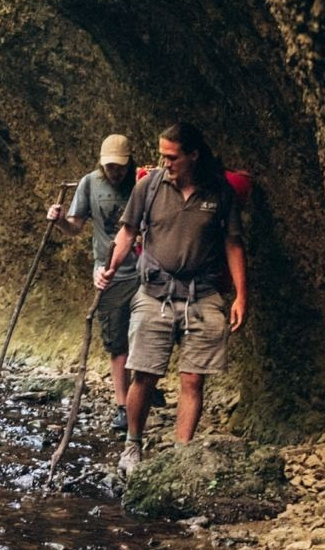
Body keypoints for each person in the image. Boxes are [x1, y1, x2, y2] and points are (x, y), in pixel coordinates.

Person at [96, 123, 247, 477]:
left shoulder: (219, 191)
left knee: (193, 380)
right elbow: (128, 232)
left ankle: (181, 454)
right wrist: (111, 267)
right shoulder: (148, 186)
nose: (165, 163)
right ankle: (133, 445)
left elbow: (233, 244)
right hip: (154, 293)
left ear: (193, 155)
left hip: (204, 295)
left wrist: (241, 295)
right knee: (144, 375)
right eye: (163, 155)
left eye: (172, 156)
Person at [47, 134, 140, 432]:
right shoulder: (90, 183)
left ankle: (143, 388)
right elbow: (74, 228)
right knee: (116, 341)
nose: (116, 172)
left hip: (145, 272)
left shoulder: (141, 183)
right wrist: (59, 220)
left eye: (120, 167)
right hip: (109, 273)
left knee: (144, 335)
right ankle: (123, 406)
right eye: (110, 167)